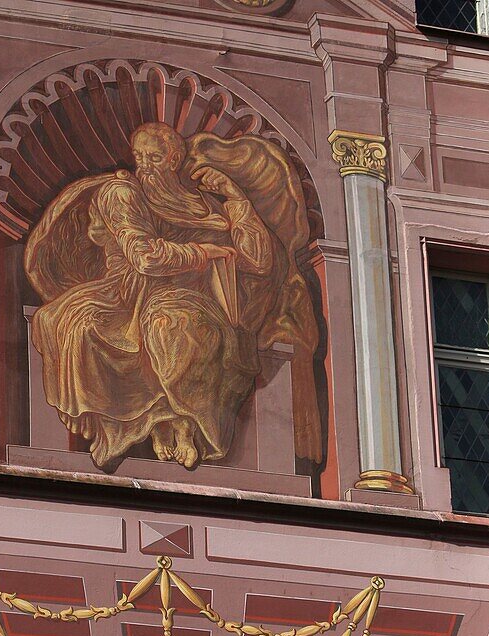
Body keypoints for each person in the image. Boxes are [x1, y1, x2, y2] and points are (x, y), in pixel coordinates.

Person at [25, 122, 321, 472]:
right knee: (90, 323)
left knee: (176, 324)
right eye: (140, 157)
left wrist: (235, 198)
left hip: (194, 296)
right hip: (127, 292)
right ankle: (162, 422)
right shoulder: (122, 193)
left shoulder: (204, 204)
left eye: (155, 157)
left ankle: (181, 422)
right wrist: (203, 252)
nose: (145, 166)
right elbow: (144, 258)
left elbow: (258, 261)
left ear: (174, 159)